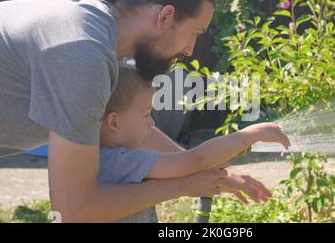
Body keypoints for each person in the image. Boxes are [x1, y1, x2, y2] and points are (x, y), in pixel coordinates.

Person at [0, 0, 278, 222]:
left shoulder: (101, 32)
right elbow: (73, 208)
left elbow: (133, 126)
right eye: (194, 33)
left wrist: (206, 170)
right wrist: (184, 184)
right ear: (166, 16)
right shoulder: (83, 51)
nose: (190, 50)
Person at [97, 65, 291, 222]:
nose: (153, 123)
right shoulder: (121, 161)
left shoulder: (105, 160)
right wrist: (250, 135)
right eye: (146, 115)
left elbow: (190, 165)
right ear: (114, 122)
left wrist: (218, 175)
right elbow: (196, 159)